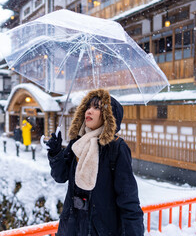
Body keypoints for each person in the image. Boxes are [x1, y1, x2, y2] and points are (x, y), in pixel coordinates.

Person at [46, 89, 144, 236]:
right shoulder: (78, 142)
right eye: (88, 107)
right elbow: (60, 176)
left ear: (109, 116)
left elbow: (128, 200)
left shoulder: (116, 147)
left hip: (100, 229)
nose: (89, 111)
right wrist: (55, 152)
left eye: (97, 107)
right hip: (72, 227)